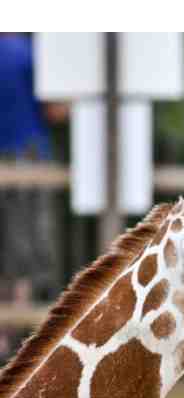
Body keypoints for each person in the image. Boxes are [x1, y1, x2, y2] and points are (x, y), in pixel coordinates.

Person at [0, 33, 67, 357]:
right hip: (28, 159)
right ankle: (14, 342)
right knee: (24, 254)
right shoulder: (31, 54)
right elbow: (55, 112)